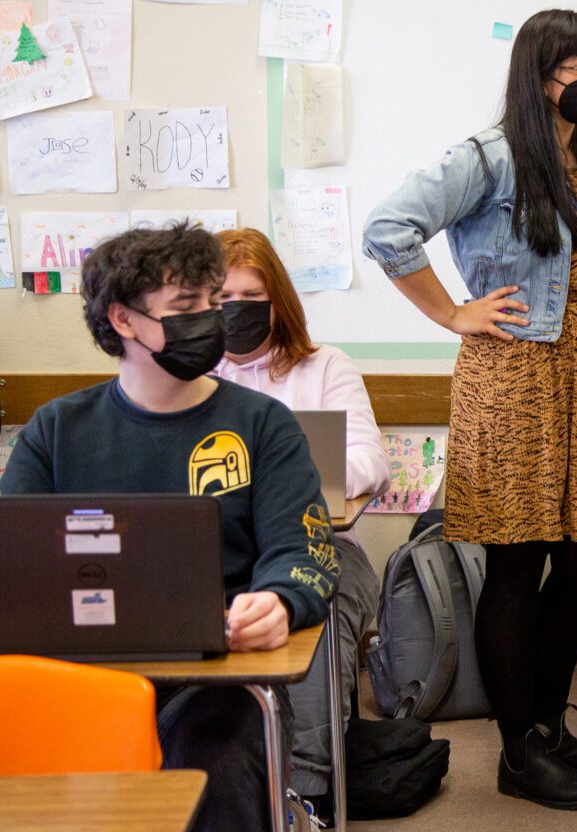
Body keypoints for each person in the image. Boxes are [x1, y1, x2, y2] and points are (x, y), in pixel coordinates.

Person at [363, 8, 577, 810]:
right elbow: (388, 228)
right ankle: (516, 751)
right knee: (520, 559)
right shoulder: (489, 157)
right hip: (515, 374)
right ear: (539, 74)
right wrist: (452, 313)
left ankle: (548, 723)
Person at [0, 223, 340, 832]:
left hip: (216, 680)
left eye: (212, 303)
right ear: (123, 321)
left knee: (216, 763)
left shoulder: (264, 425)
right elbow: (8, 558)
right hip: (72, 678)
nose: (211, 319)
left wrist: (281, 600)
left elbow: (303, 551)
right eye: (186, 308)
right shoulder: (56, 430)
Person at [212, 226, 391, 816]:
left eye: (250, 299)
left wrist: (281, 481)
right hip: (223, 555)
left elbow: (370, 463)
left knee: (317, 603)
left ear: (278, 302)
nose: (234, 313)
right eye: (221, 299)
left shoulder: (323, 367)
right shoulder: (187, 382)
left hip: (325, 545)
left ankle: (307, 790)